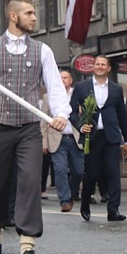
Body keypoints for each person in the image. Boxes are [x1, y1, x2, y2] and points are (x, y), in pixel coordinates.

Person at [0, 0, 70, 254]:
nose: (34, 17)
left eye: (34, 12)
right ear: (13, 16)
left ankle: (27, 247)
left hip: (29, 127)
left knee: (29, 182)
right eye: (29, 13)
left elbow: (55, 86)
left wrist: (61, 114)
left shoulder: (42, 50)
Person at [70, 55, 127, 222]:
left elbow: (122, 116)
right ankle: (85, 204)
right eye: (97, 64)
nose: (99, 66)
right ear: (93, 67)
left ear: (108, 68)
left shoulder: (116, 89)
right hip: (92, 136)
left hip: (111, 137)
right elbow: (72, 111)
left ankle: (113, 210)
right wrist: (80, 125)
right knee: (91, 173)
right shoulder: (82, 87)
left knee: (113, 173)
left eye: (103, 64)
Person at [41, 70, 83, 213]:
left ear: (71, 80)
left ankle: (71, 192)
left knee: (79, 171)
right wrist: (44, 142)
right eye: (60, 78)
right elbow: (43, 120)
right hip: (57, 140)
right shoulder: (48, 97)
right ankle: (64, 200)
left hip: (76, 139)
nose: (63, 80)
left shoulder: (78, 96)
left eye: (65, 78)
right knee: (60, 170)